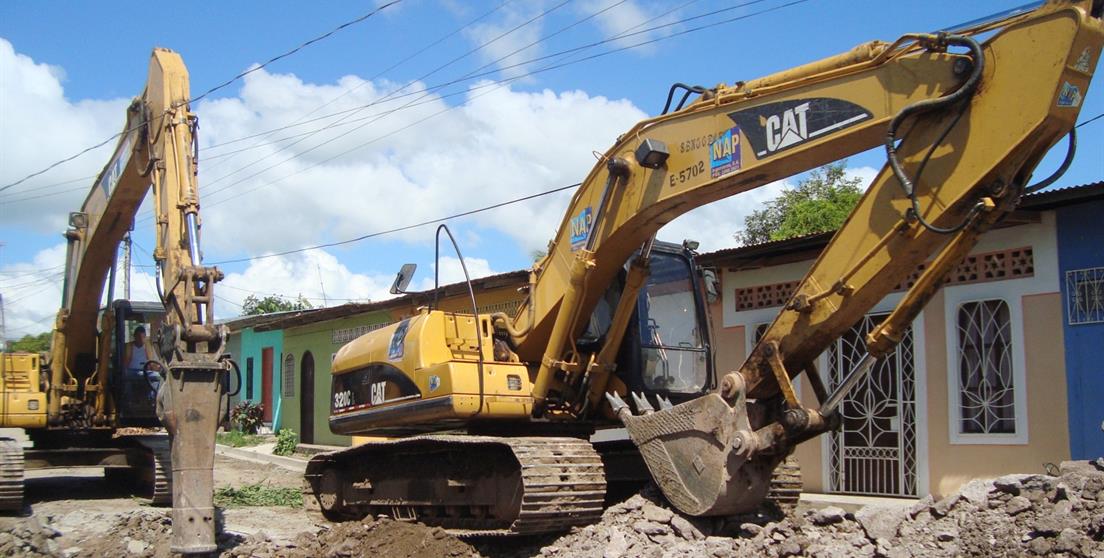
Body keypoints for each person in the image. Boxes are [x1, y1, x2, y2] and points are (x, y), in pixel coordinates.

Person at [124, 326, 162, 403]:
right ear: (134, 336)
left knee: (158, 377)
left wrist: (154, 367)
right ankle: (128, 401)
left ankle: (153, 400)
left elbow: (154, 364)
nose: (140, 339)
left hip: (145, 372)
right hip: (132, 372)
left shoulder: (149, 347)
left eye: (143, 337)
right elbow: (125, 363)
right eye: (138, 337)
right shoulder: (129, 346)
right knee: (124, 377)